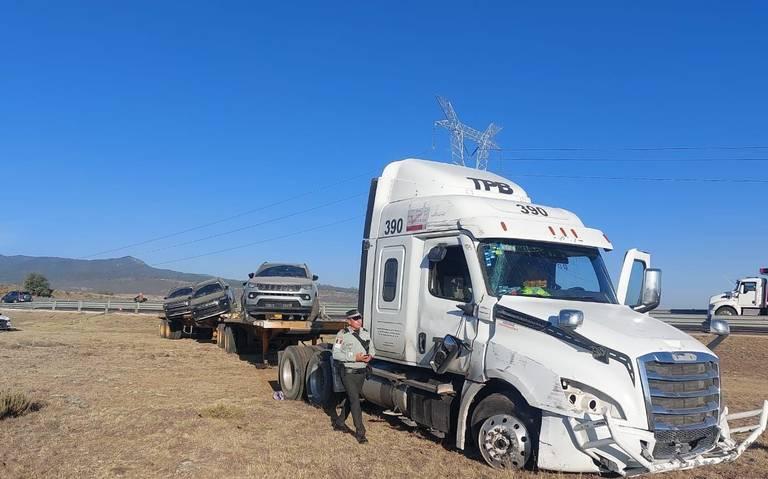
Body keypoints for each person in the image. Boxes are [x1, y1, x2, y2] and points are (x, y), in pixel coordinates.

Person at [331, 308, 375, 443]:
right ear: (348, 321)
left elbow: (372, 349)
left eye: (360, 318)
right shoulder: (342, 335)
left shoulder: (366, 333)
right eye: (355, 319)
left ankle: (339, 422)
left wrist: (370, 357)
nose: (359, 321)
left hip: (361, 372)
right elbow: (336, 354)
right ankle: (360, 432)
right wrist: (354, 358)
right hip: (348, 372)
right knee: (355, 400)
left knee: (352, 400)